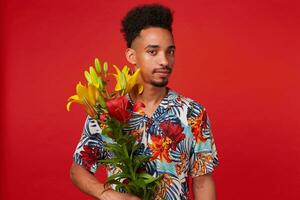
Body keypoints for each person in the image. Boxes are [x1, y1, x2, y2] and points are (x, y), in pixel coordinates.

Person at [70, 4, 219, 200]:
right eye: (153, 51)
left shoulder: (192, 112)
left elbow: (202, 181)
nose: (164, 61)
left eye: (170, 52)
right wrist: (108, 195)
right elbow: (78, 169)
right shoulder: (107, 110)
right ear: (132, 56)